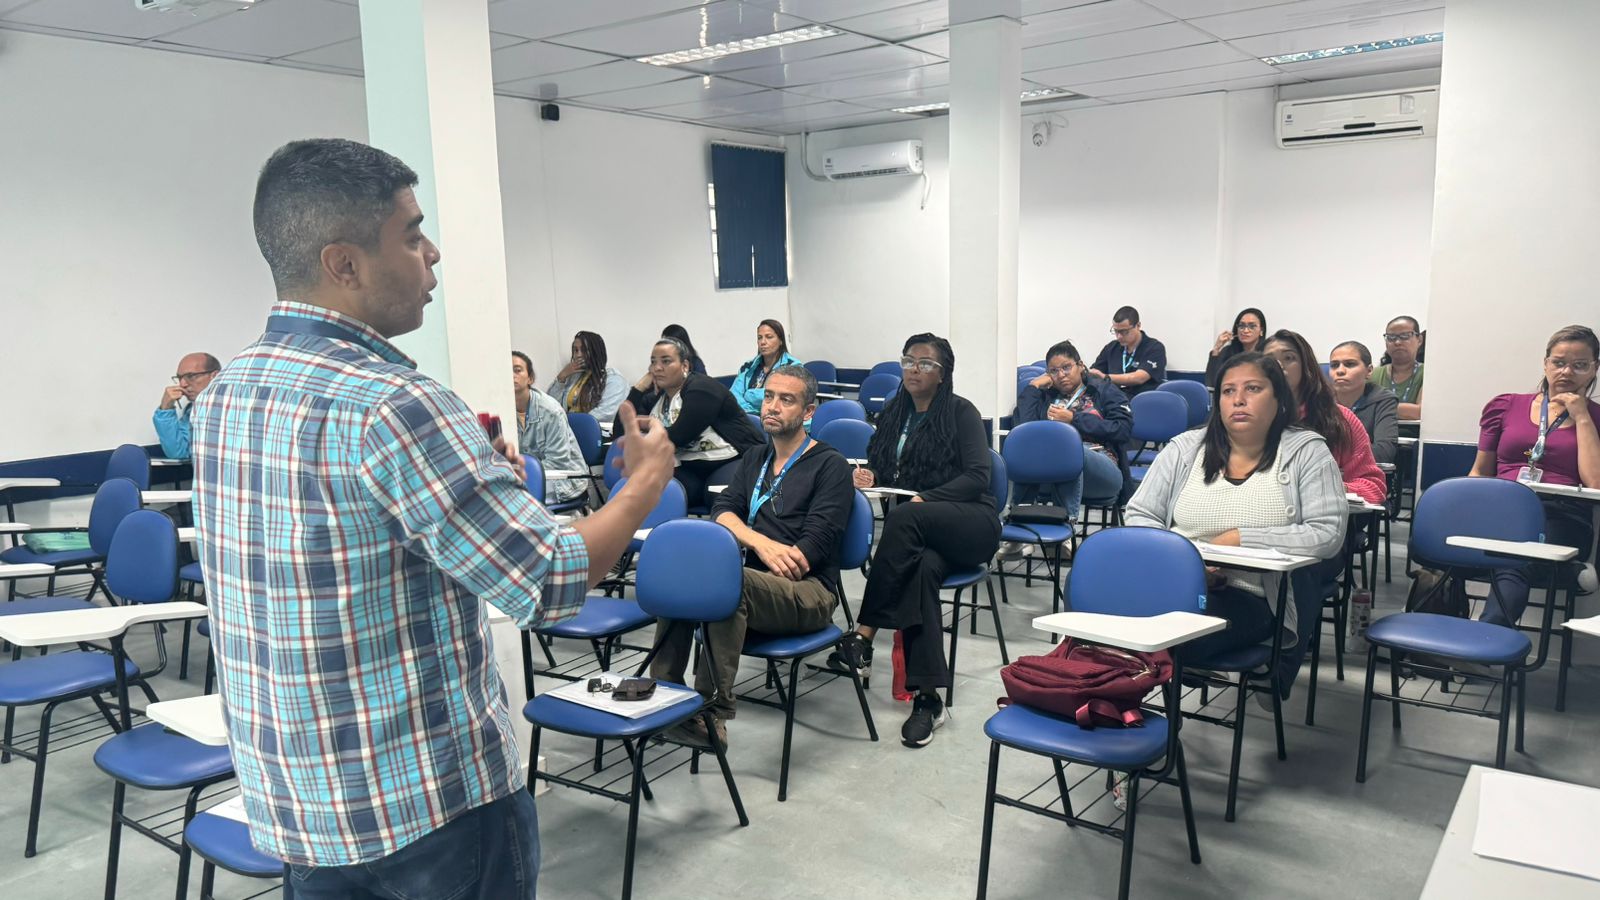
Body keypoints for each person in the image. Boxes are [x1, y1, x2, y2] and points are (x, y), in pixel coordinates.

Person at [192, 138, 676, 899]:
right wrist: (642, 487)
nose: (435, 254)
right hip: (424, 808)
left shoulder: (226, 391)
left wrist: (473, 482)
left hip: (299, 796)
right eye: (412, 234)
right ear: (343, 264)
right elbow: (546, 580)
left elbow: (338, 545)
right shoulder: (393, 402)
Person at [649, 365, 852, 747]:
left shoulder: (830, 466)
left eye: (786, 400)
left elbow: (807, 554)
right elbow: (722, 510)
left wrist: (752, 543)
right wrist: (758, 541)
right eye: (770, 397)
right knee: (691, 576)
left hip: (809, 594)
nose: (773, 407)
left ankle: (712, 714)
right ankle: (667, 696)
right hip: (756, 586)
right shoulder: (756, 457)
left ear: (808, 412)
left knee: (729, 584)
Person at [1125, 352, 1345, 691]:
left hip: (1251, 596)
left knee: (1174, 633)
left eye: (1253, 388)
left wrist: (1238, 539)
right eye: (1228, 391)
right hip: (1174, 583)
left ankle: (1126, 701)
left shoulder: (1306, 452)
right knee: (1091, 597)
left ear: (1278, 399)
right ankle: (1107, 703)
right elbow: (1141, 514)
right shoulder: (1185, 448)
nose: (1238, 400)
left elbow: (1326, 533)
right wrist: (1181, 565)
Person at [828, 333, 1000, 748]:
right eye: (908, 361)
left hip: (971, 524)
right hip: (923, 538)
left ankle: (863, 637)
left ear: (943, 374)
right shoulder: (894, 414)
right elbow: (892, 471)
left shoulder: (960, 412)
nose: (914, 369)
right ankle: (928, 700)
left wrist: (929, 499)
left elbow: (979, 476)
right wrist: (870, 476)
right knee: (921, 570)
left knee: (906, 518)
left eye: (925, 363)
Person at [1470, 325, 1600, 627]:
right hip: (1502, 509)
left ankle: (1486, 640)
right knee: (1444, 548)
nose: (1567, 371)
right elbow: (1480, 470)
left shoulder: (1595, 417)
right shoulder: (1505, 406)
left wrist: (1581, 415)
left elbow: (1595, 483)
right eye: (1558, 362)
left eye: (1580, 365)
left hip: (1560, 516)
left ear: (1594, 369)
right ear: (1545, 363)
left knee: (1519, 555)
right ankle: (1437, 644)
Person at [618, 336, 765, 508]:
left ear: (685, 366)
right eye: (653, 362)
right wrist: (639, 388)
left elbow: (680, 435)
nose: (657, 368)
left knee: (717, 497)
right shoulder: (657, 398)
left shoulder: (702, 388)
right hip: (690, 467)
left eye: (666, 361)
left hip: (733, 459)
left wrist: (643, 436)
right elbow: (620, 433)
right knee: (658, 494)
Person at [1262, 330, 1387, 505]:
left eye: (1289, 358)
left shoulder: (1340, 419)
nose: (1279, 366)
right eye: (1269, 360)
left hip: (1317, 519)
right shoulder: (1247, 418)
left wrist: (1335, 487)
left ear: (1306, 366)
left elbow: (1374, 486)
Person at [1014, 339, 1131, 517]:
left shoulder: (1103, 390)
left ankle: (1065, 526)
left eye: (1066, 367)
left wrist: (1074, 419)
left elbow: (1122, 429)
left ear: (1081, 366)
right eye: (1054, 371)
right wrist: (1033, 387)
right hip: (1052, 466)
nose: (1061, 375)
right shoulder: (1047, 398)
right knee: (1026, 449)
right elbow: (1025, 429)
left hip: (1102, 467)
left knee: (1070, 449)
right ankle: (1019, 520)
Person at [512, 350, 589, 505]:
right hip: (528, 476)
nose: (512, 375)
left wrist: (520, 474)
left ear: (530, 378)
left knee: (516, 501)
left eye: (517, 370)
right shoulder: (504, 411)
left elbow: (558, 462)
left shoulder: (550, 411)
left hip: (563, 479)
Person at [1328, 340, 1399, 466]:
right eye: (1334, 365)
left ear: (1369, 371)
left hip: (1362, 477)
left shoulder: (1383, 399)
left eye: (1350, 364)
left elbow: (1384, 452)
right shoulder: (1320, 400)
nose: (1340, 371)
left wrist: (1332, 456)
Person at [548, 330, 628, 421]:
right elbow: (551, 406)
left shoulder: (614, 379)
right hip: (568, 430)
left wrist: (570, 424)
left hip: (594, 432)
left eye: (584, 350)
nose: (578, 355)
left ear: (596, 352)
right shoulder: (574, 376)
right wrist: (561, 377)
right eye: (575, 350)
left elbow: (605, 413)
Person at [152, 352, 220, 460]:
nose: (182, 384)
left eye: (191, 376)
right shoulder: (192, 409)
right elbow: (179, 452)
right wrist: (166, 409)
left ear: (215, 376)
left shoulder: (234, 407)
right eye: (180, 378)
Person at [1089, 305, 1166, 398]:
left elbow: (1139, 378)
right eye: (1116, 331)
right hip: (1113, 401)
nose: (1119, 336)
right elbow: (1094, 372)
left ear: (1138, 326)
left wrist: (1105, 377)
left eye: (1124, 331)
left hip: (1142, 401)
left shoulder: (1154, 348)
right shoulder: (1111, 348)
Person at [729, 319, 802, 415]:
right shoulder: (748, 366)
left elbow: (779, 398)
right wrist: (751, 411)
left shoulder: (793, 366)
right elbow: (734, 395)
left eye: (769, 337)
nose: (763, 342)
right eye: (759, 337)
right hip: (747, 416)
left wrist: (748, 394)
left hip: (778, 418)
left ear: (780, 341)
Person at [1373, 315, 1425, 420]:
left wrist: (1376, 406)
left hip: (1416, 435)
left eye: (1405, 336)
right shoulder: (1373, 374)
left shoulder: (1428, 373)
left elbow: (1422, 412)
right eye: (1391, 337)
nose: (1397, 342)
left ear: (1419, 340)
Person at [1206, 308, 1267, 387]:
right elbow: (1212, 383)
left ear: (1261, 330)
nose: (1245, 330)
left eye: (1251, 326)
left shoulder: (1266, 353)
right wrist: (1216, 349)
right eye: (1241, 326)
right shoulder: (1228, 352)